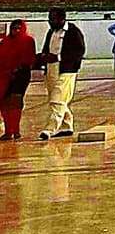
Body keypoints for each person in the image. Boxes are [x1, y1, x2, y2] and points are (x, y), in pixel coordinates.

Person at [37, 8, 85, 140]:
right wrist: (43, 58)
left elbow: (79, 51)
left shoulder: (73, 32)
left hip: (66, 70)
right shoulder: (51, 32)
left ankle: (49, 129)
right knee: (58, 99)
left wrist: (58, 57)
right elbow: (47, 48)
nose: (50, 21)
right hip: (51, 69)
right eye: (49, 18)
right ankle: (67, 126)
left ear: (62, 19)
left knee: (57, 100)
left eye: (53, 19)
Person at [1, 20, 37, 140]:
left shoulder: (28, 41)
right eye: (14, 28)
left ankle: (16, 130)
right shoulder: (5, 42)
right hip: (4, 76)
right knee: (4, 103)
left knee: (15, 101)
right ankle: (8, 131)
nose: (16, 31)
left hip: (21, 76)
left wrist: (17, 69)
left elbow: (29, 58)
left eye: (18, 28)